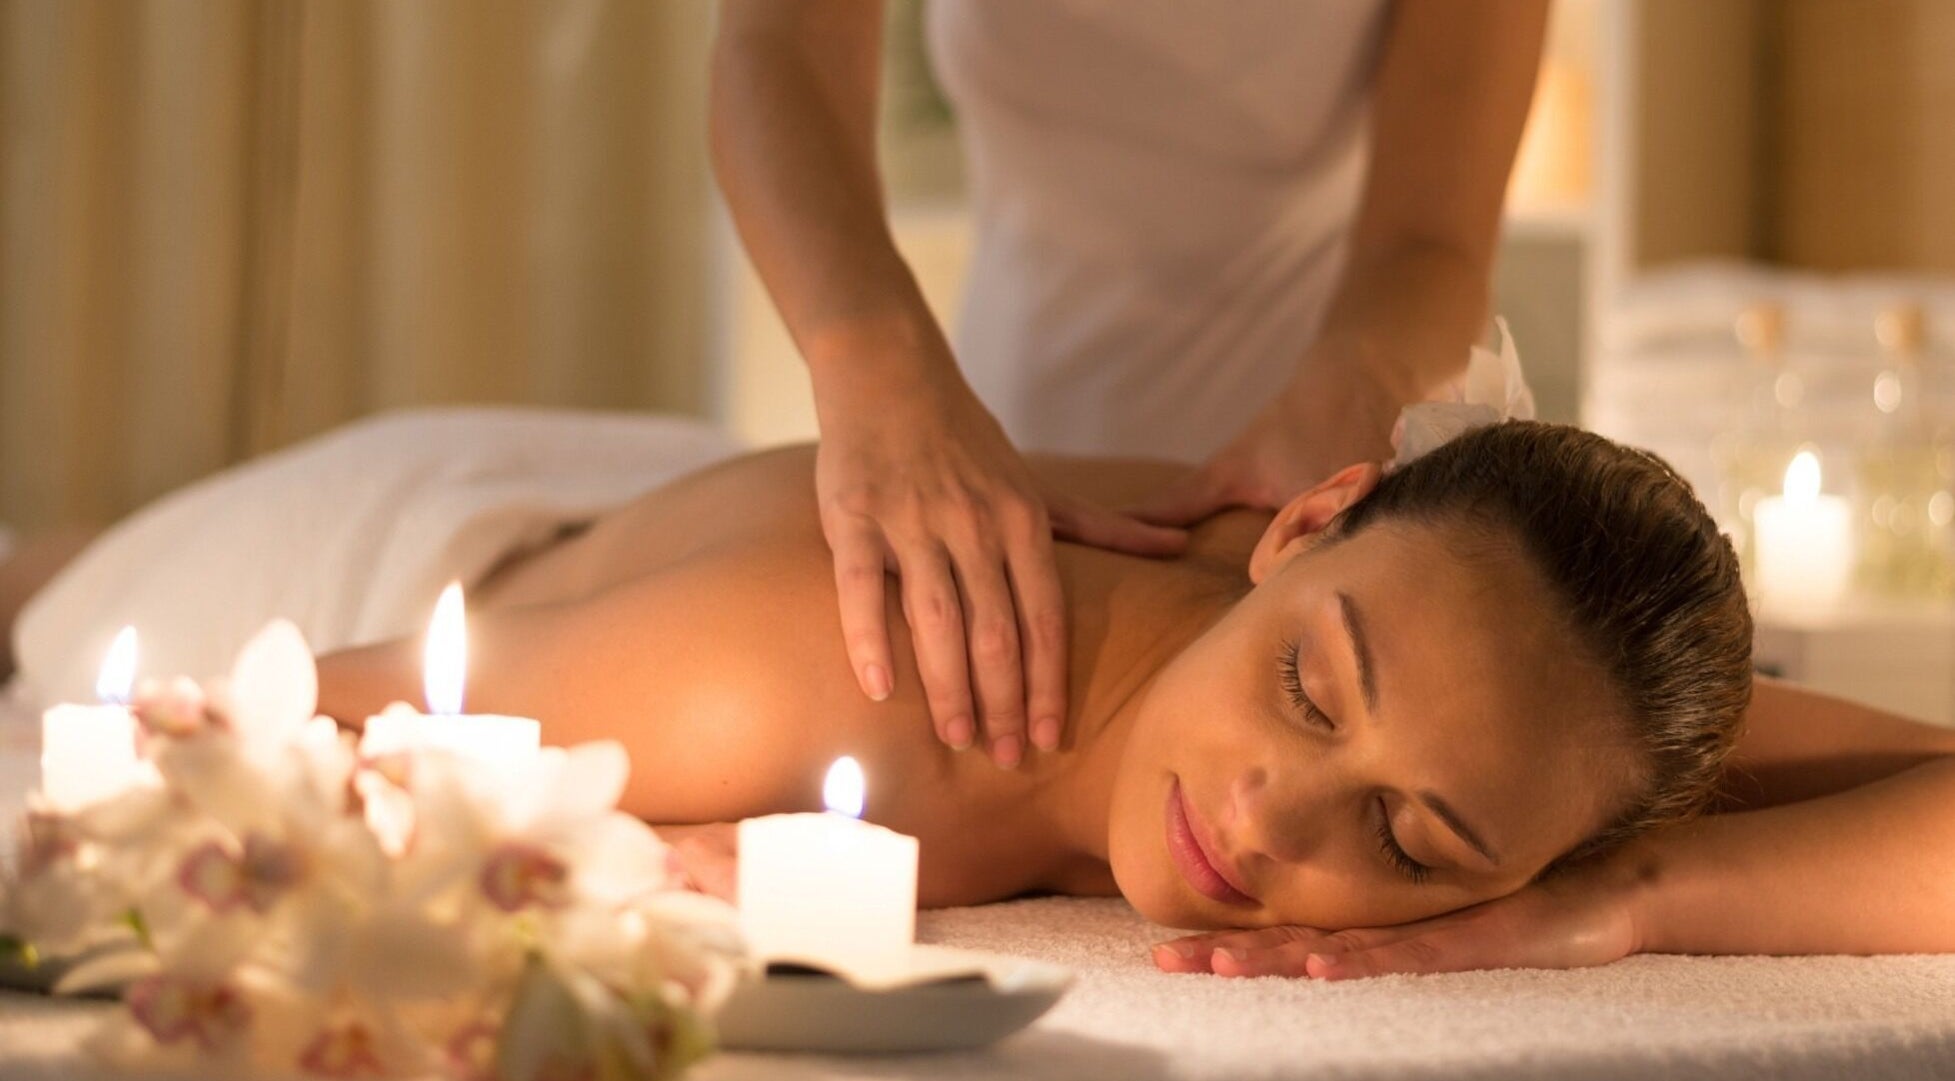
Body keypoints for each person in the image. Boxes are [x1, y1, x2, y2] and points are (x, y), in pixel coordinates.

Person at [10, 410, 1955, 978]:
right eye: (1305, 692)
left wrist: (1617, 905)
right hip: (412, 560)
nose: (1269, 817)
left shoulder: (1515, 698)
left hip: (676, 495)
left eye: (1411, 836)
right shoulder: (808, 675)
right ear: (1300, 525)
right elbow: (242, 736)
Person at [709, 2, 1551, 769]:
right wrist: (875, 368)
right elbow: (778, 46)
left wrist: (1362, 385)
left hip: (1283, 483)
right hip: (970, 453)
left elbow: (1430, 239)